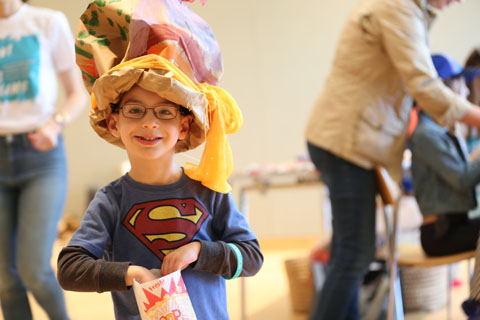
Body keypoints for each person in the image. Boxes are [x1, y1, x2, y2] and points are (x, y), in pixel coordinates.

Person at [56, 1, 263, 319]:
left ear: (183, 126)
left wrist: (199, 251)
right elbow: (70, 268)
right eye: (135, 110)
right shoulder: (111, 200)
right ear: (114, 123)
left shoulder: (209, 191)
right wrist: (132, 274)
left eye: (165, 112)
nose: (149, 123)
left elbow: (251, 257)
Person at [304, 0, 480, 319]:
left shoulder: (411, 11)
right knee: (354, 254)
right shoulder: (398, 8)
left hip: (351, 143)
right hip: (346, 144)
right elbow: (426, 86)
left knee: (353, 253)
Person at [0, 0, 87, 319]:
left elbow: (78, 93)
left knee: (34, 269)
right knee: (5, 279)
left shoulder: (47, 22)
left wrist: (57, 122)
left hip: (40, 155)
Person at [411, 53, 480, 257]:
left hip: (453, 226)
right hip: (441, 234)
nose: (467, 91)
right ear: (442, 90)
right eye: (461, 84)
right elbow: (462, 179)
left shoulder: (437, 130)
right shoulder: (426, 134)